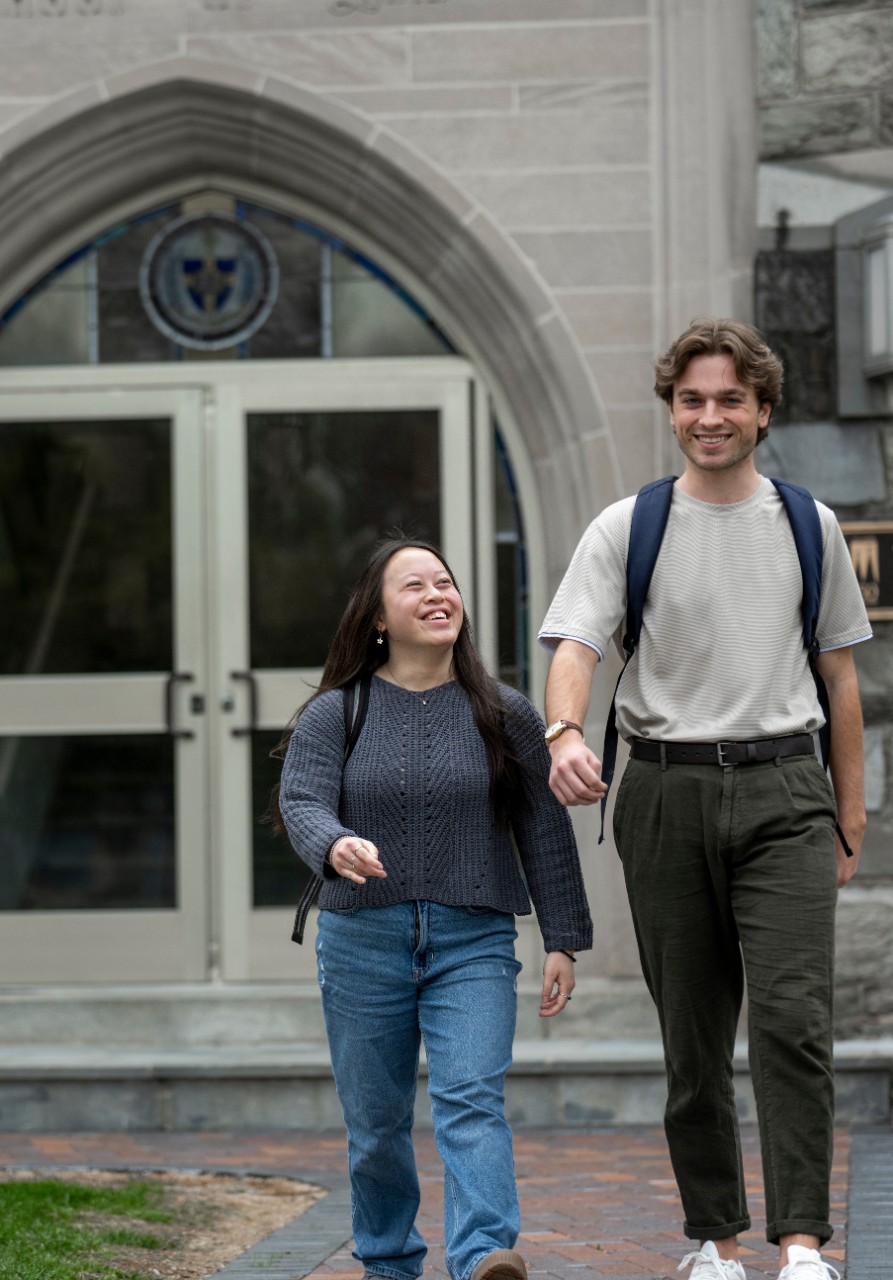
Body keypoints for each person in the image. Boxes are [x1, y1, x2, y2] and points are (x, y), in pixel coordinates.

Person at [538, 319, 871, 1280]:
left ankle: (802, 1243)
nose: (709, 416)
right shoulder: (626, 526)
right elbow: (576, 647)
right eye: (692, 400)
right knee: (691, 1033)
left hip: (785, 792)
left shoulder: (807, 525)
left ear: (763, 411)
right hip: (664, 793)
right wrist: (563, 732)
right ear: (671, 411)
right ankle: (714, 1242)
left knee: (793, 1025)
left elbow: (840, 682)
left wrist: (848, 819)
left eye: (729, 399)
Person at [278, 536, 592, 1280]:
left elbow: (542, 829)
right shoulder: (336, 712)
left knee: (471, 1098)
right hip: (361, 936)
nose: (435, 594)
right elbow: (301, 799)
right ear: (378, 617)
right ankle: (388, 1261)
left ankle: (484, 1256)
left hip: (473, 940)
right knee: (377, 1126)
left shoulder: (504, 713)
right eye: (413, 585)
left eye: (444, 582)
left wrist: (563, 939)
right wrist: (333, 845)